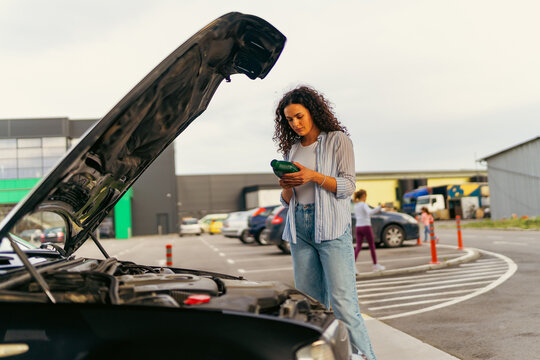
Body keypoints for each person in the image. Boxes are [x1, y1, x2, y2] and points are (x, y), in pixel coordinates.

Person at [273, 85, 376, 360]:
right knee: (310, 307)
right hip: (299, 228)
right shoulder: (293, 149)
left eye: (299, 116)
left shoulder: (338, 141)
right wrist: (286, 185)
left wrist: (313, 176)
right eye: (290, 120)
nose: (295, 123)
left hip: (330, 227)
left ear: (313, 111)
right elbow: (287, 199)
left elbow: (348, 185)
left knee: (344, 305)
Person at [353, 189, 385, 272]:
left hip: (358, 227)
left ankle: (352, 266)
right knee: (372, 246)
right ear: (363, 196)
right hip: (366, 226)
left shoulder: (356, 205)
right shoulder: (363, 204)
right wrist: (380, 207)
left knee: (358, 246)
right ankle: (375, 265)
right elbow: (369, 212)